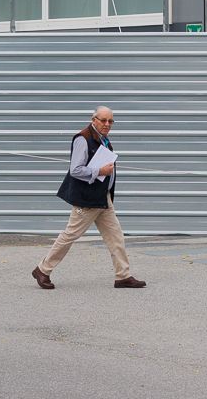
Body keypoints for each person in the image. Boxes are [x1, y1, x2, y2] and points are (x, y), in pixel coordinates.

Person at [31, 106, 146, 290]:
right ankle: (42, 270)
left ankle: (123, 276)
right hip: (87, 199)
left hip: (102, 198)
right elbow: (75, 170)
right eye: (103, 120)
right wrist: (100, 171)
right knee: (70, 235)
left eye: (110, 121)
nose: (107, 124)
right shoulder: (83, 139)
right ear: (94, 119)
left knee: (115, 236)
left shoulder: (103, 139)